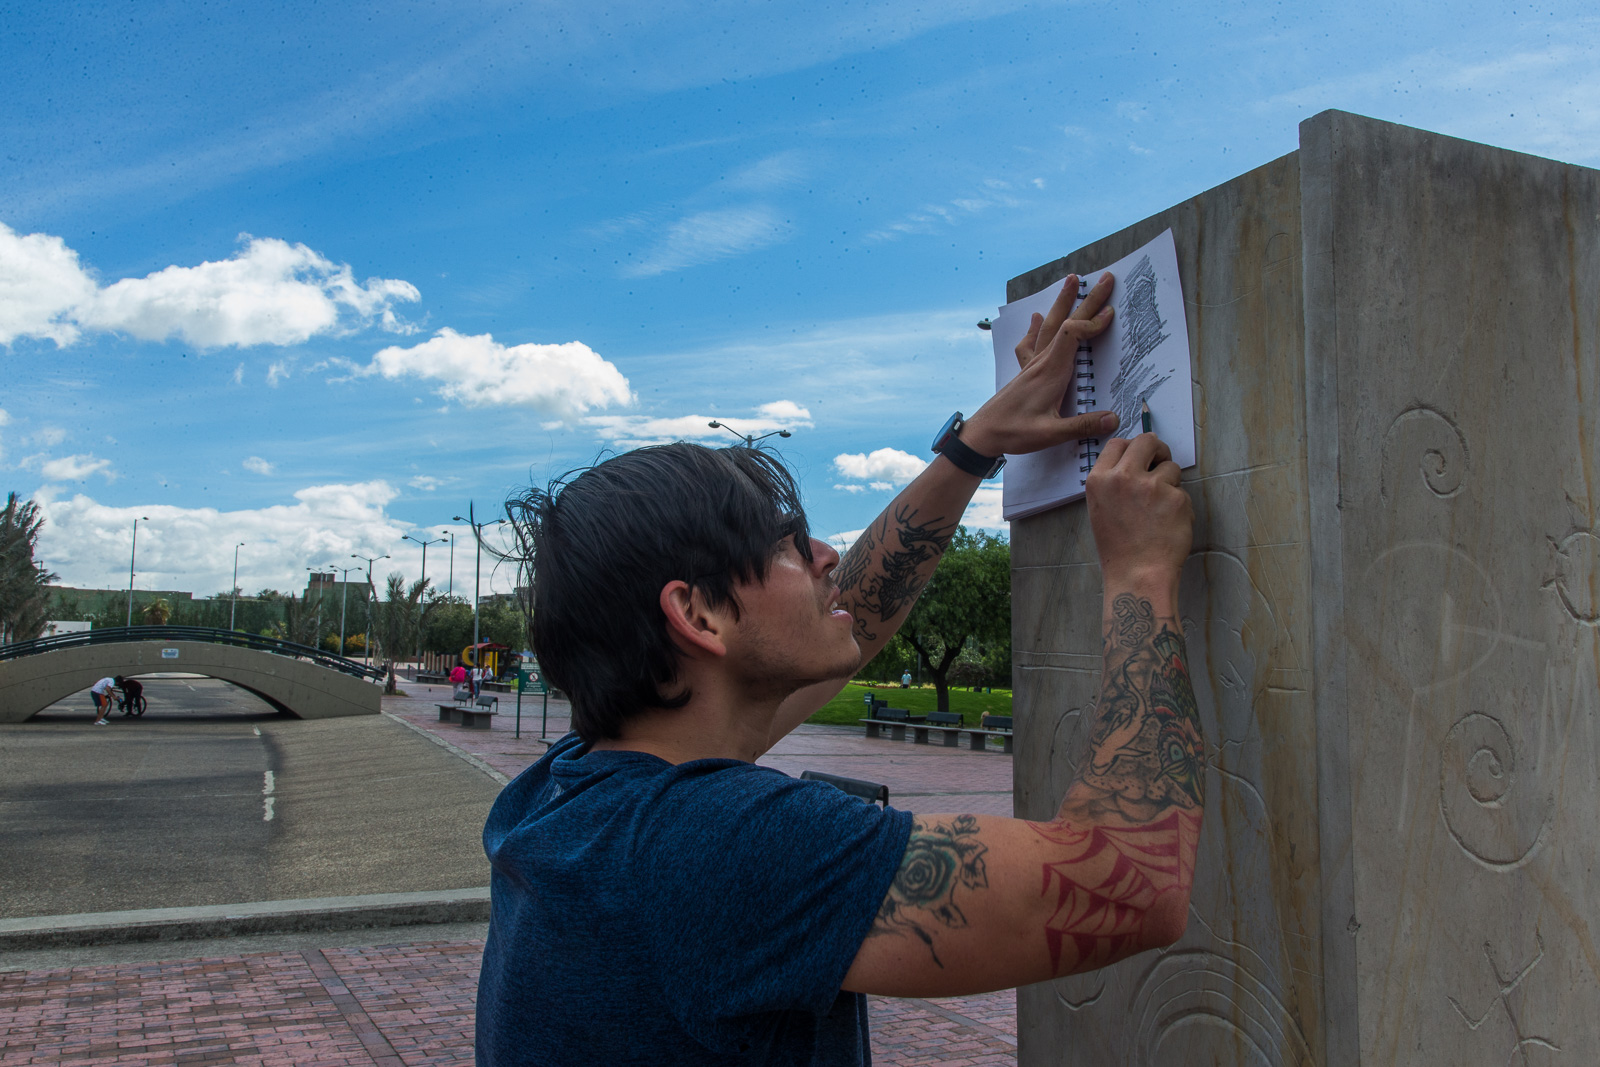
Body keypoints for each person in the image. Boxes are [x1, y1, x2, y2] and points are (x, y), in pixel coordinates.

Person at [476, 273, 1202, 1066]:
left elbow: (853, 609)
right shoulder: (724, 848)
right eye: (791, 546)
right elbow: (1131, 884)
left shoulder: (561, 796)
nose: (826, 558)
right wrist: (1140, 575)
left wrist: (975, 444)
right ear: (700, 616)